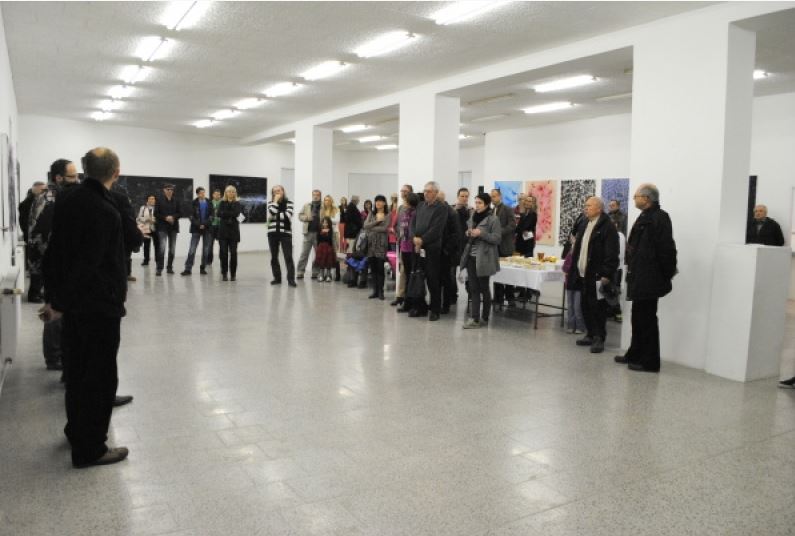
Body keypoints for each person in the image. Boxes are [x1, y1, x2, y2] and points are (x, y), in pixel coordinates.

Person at [41, 147, 129, 468]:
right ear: (115, 172)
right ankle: (90, 448)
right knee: (99, 377)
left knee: (77, 372)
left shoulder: (68, 199)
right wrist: (61, 302)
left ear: (84, 170)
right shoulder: (105, 210)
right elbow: (87, 264)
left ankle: (76, 431)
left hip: (77, 306)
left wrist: (55, 299)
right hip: (97, 307)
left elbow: (54, 253)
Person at [615, 184, 677, 373]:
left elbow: (666, 249)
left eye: (636, 196)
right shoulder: (645, 216)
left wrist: (665, 274)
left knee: (647, 319)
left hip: (650, 277)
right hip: (639, 275)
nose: (634, 198)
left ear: (647, 198)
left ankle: (650, 362)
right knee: (638, 317)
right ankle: (635, 353)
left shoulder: (660, 217)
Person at [571, 197, 620, 354]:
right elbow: (579, 248)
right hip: (583, 273)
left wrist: (606, 273)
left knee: (598, 307)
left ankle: (599, 337)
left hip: (597, 274)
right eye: (585, 206)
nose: (586, 208)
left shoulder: (607, 227)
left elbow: (612, 253)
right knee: (585, 305)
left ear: (599, 208)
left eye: (589, 206)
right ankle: (590, 334)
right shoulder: (584, 223)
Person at [27, 159, 78, 303]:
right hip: (47, 256)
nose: (76, 180)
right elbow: (44, 232)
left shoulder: (53, 195)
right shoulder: (49, 198)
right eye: (72, 176)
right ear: (59, 178)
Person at [460, 192, 501, 329]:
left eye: (480, 203)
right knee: (473, 288)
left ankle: (485, 317)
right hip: (471, 257)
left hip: (484, 258)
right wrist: (468, 233)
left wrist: (481, 233)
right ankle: (475, 318)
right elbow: (469, 232)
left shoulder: (493, 219)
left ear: (487, 204)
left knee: (484, 288)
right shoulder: (473, 216)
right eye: (476, 202)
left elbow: (497, 239)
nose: (477, 205)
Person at [410, 181, 449, 321]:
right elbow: (412, 224)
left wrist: (422, 240)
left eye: (429, 191)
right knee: (418, 277)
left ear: (436, 193)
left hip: (432, 249)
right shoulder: (420, 205)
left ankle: (435, 309)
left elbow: (436, 229)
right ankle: (420, 307)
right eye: (425, 190)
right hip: (417, 248)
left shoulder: (441, 208)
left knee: (433, 280)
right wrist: (414, 238)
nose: (425, 193)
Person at [491, 188, 516, 307]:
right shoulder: (491, 211)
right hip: (494, 247)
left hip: (505, 246)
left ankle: (510, 298)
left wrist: (499, 232)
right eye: (491, 196)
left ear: (500, 196)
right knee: (497, 273)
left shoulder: (507, 209)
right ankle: (498, 298)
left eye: (494, 196)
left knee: (509, 274)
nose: (493, 198)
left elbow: (512, 225)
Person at [267, 185, 296, 287]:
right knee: (274, 257)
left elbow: (288, 215)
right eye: (275, 191)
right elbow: (272, 211)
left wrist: (274, 215)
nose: (277, 192)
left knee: (288, 256)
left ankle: (291, 279)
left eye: (279, 190)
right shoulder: (270, 203)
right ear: (272, 193)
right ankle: (277, 278)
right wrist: (275, 201)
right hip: (272, 233)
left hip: (285, 233)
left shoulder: (289, 202)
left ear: (283, 191)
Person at [437, 191, 461, 314]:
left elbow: (456, 234)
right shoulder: (436, 211)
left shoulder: (451, 213)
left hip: (446, 252)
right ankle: (436, 303)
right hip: (436, 251)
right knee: (436, 279)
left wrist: (447, 250)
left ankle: (446, 305)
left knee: (446, 279)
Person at [391, 185, 414, 307]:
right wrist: (398, 235)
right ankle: (400, 296)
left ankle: (407, 297)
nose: (403, 193)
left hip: (412, 245)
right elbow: (394, 224)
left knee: (406, 271)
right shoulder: (400, 208)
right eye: (402, 191)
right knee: (402, 271)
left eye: (406, 191)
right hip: (402, 244)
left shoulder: (415, 208)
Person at [363, 195, 389, 300]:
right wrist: (377, 222)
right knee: (373, 268)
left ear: (384, 203)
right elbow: (365, 226)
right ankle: (375, 291)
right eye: (376, 201)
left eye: (380, 201)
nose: (378, 203)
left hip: (381, 245)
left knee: (380, 268)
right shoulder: (371, 213)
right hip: (371, 245)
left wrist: (371, 227)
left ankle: (381, 291)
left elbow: (384, 228)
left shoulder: (387, 214)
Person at [181, 187, 212, 276]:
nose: (203, 194)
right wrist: (199, 225)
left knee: (206, 250)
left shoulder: (209, 202)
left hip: (207, 228)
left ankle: (203, 268)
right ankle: (188, 269)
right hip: (196, 229)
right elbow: (191, 216)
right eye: (201, 193)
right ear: (197, 194)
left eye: (204, 192)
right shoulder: (193, 203)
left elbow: (212, 215)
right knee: (192, 249)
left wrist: (204, 224)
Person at [397, 192, 420, 313]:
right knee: (406, 275)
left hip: (412, 249)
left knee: (412, 277)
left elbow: (414, 230)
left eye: (405, 200)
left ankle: (412, 303)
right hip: (404, 247)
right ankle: (406, 302)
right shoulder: (405, 213)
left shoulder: (415, 214)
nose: (404, 202)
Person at [154, 184, 181, 276]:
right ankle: (159, 268)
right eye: (168, 189)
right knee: (162, 248)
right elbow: (156, 213)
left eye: (171, 189)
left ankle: (169, 268)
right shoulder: (159, 200)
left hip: (173, 227)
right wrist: (166, 218)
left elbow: (180, 213)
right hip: (162, 227)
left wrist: (173, 217)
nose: (170, 191)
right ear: (164, 190)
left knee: (172, 249)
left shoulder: (176, 200)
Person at [562, 234, 586, 334]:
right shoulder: (569, 254)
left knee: (577, 306)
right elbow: (564, 267)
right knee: (570, 305)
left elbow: (582, 268)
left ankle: (580, 326)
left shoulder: (583, 255)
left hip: (578, 283)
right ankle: (571, 325)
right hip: (570, 282)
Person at [217, 185, 242, 282]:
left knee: (233, 253)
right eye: (229, 191)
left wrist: (225, 213)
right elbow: (219, 214)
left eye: (232, 191)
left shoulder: (237, 203)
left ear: (235, 193)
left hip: (234, 232)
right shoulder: (222, 202)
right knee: (223, 253)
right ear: (226, 193)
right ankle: (224, 273)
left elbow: (237, 213)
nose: (231, 193)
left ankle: (233, 274)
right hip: (223, 232)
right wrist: (230, 213)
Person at [297, 189, 322, 280]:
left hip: (319, 234)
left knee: (318, 254)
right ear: (312, 195)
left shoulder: (323, 206)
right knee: (304, 254)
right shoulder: (307, 205)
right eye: (314, 195)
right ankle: (300, 272)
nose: (315, 196)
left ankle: (315, 272)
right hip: (308, 233)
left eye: (317, 195)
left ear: (320, 196)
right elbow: (300, 216)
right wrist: (307, 218)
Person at [320, 195, 341, 281]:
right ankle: (324, 273)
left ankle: (337, 274)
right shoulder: (322, 210)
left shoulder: (336, 209)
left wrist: (326, 219)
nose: (327, 201)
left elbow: (337, 220)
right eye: (325, 200)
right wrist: (328, 220)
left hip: (334, 233)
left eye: (328, 200)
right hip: (324, 233)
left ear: (331, 201)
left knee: (335, 253)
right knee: (324, 253)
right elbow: (320, 221)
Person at [136, 195, 157, 266]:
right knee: (146, 245)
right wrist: (146, 219)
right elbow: (139, 218)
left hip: (155, 229)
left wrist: (154, 220)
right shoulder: (143, 208)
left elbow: (160, 217)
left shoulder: (158, 207)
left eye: (153, 199)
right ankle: (146, 260)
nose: (152, 200)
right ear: (147, 200)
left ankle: (158, 260)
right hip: (146, 229)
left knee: (157, 245)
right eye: (150, 199)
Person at [314, 217, 337, 283]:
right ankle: (321, 274)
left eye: (326, 223)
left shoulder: (331, 231)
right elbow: (317, 240)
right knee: (321, 261)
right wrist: (317, 248)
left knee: (328, 261)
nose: (325, 224)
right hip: (321, 248)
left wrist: (335, 249)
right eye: (323, 222)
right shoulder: (319, 230)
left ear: (329, 223)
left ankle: (328, 275)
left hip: (329, 248)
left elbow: (333, 240)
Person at [206, 189, 222, 266]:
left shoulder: (223, 203)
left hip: (220, 226)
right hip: (211, 226)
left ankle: (222, 260)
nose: (217, 196)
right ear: (213, 195)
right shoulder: (209, 203)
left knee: (222, 245)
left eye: (218, 194)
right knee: (209, 245)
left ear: (220, 195)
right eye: (215, 194)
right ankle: (209, 261)